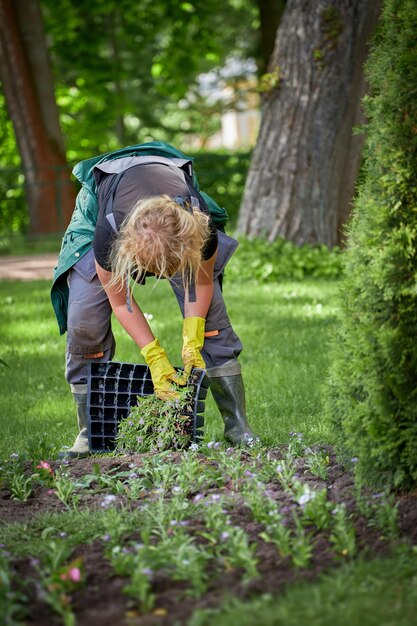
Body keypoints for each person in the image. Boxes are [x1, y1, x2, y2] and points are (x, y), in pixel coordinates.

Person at [51, 141, 258, 458]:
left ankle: (238, 426)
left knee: (213, 320)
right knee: (85, 321)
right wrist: (154, 355)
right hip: (102, 204)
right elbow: (120, 301)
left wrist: (193, 334)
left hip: (172, 212)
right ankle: (87, 433)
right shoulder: (109, 233)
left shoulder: (198, 228)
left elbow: (200, 282)